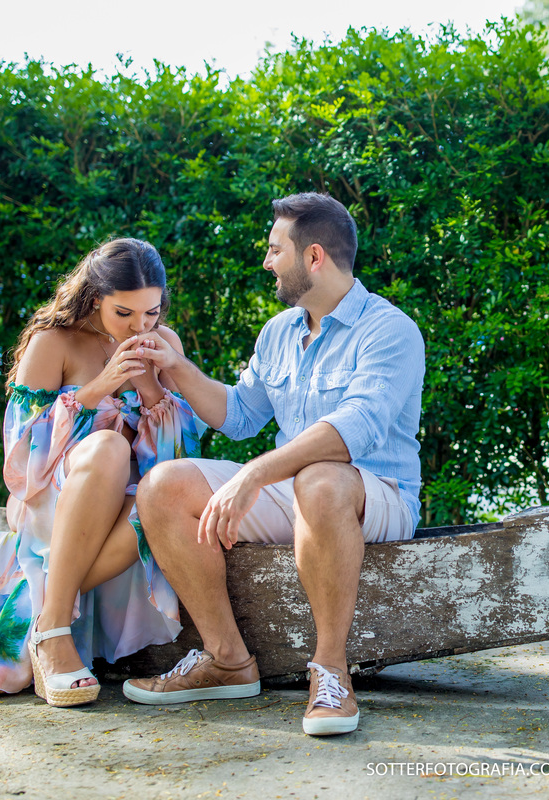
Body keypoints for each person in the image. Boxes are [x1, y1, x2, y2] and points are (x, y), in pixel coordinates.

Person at [120, 193, 425, 737]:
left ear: (313, 257)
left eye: (273, 249)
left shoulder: (389, 330)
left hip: (376, 493)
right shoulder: (279, 332)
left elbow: (353, 430)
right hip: (295, 493)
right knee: (162, 485)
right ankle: (226, 660)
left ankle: (331, 672)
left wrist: (255, 473)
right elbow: (238, 415)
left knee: (321, 478)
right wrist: (177, 368)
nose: (266, 262)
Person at [0, 238, 204, 706]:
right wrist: (100, 387)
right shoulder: (53, 342)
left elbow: (179, 454)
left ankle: (41, 620)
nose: (140, 325)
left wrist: (150, 387)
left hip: (124, 500)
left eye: (151, 312)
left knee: (160, 501)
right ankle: (57, 633)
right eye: (124, 313)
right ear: (95, 296)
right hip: (53, 496)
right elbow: (20, 454)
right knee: (106, 445)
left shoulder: (164, 343)